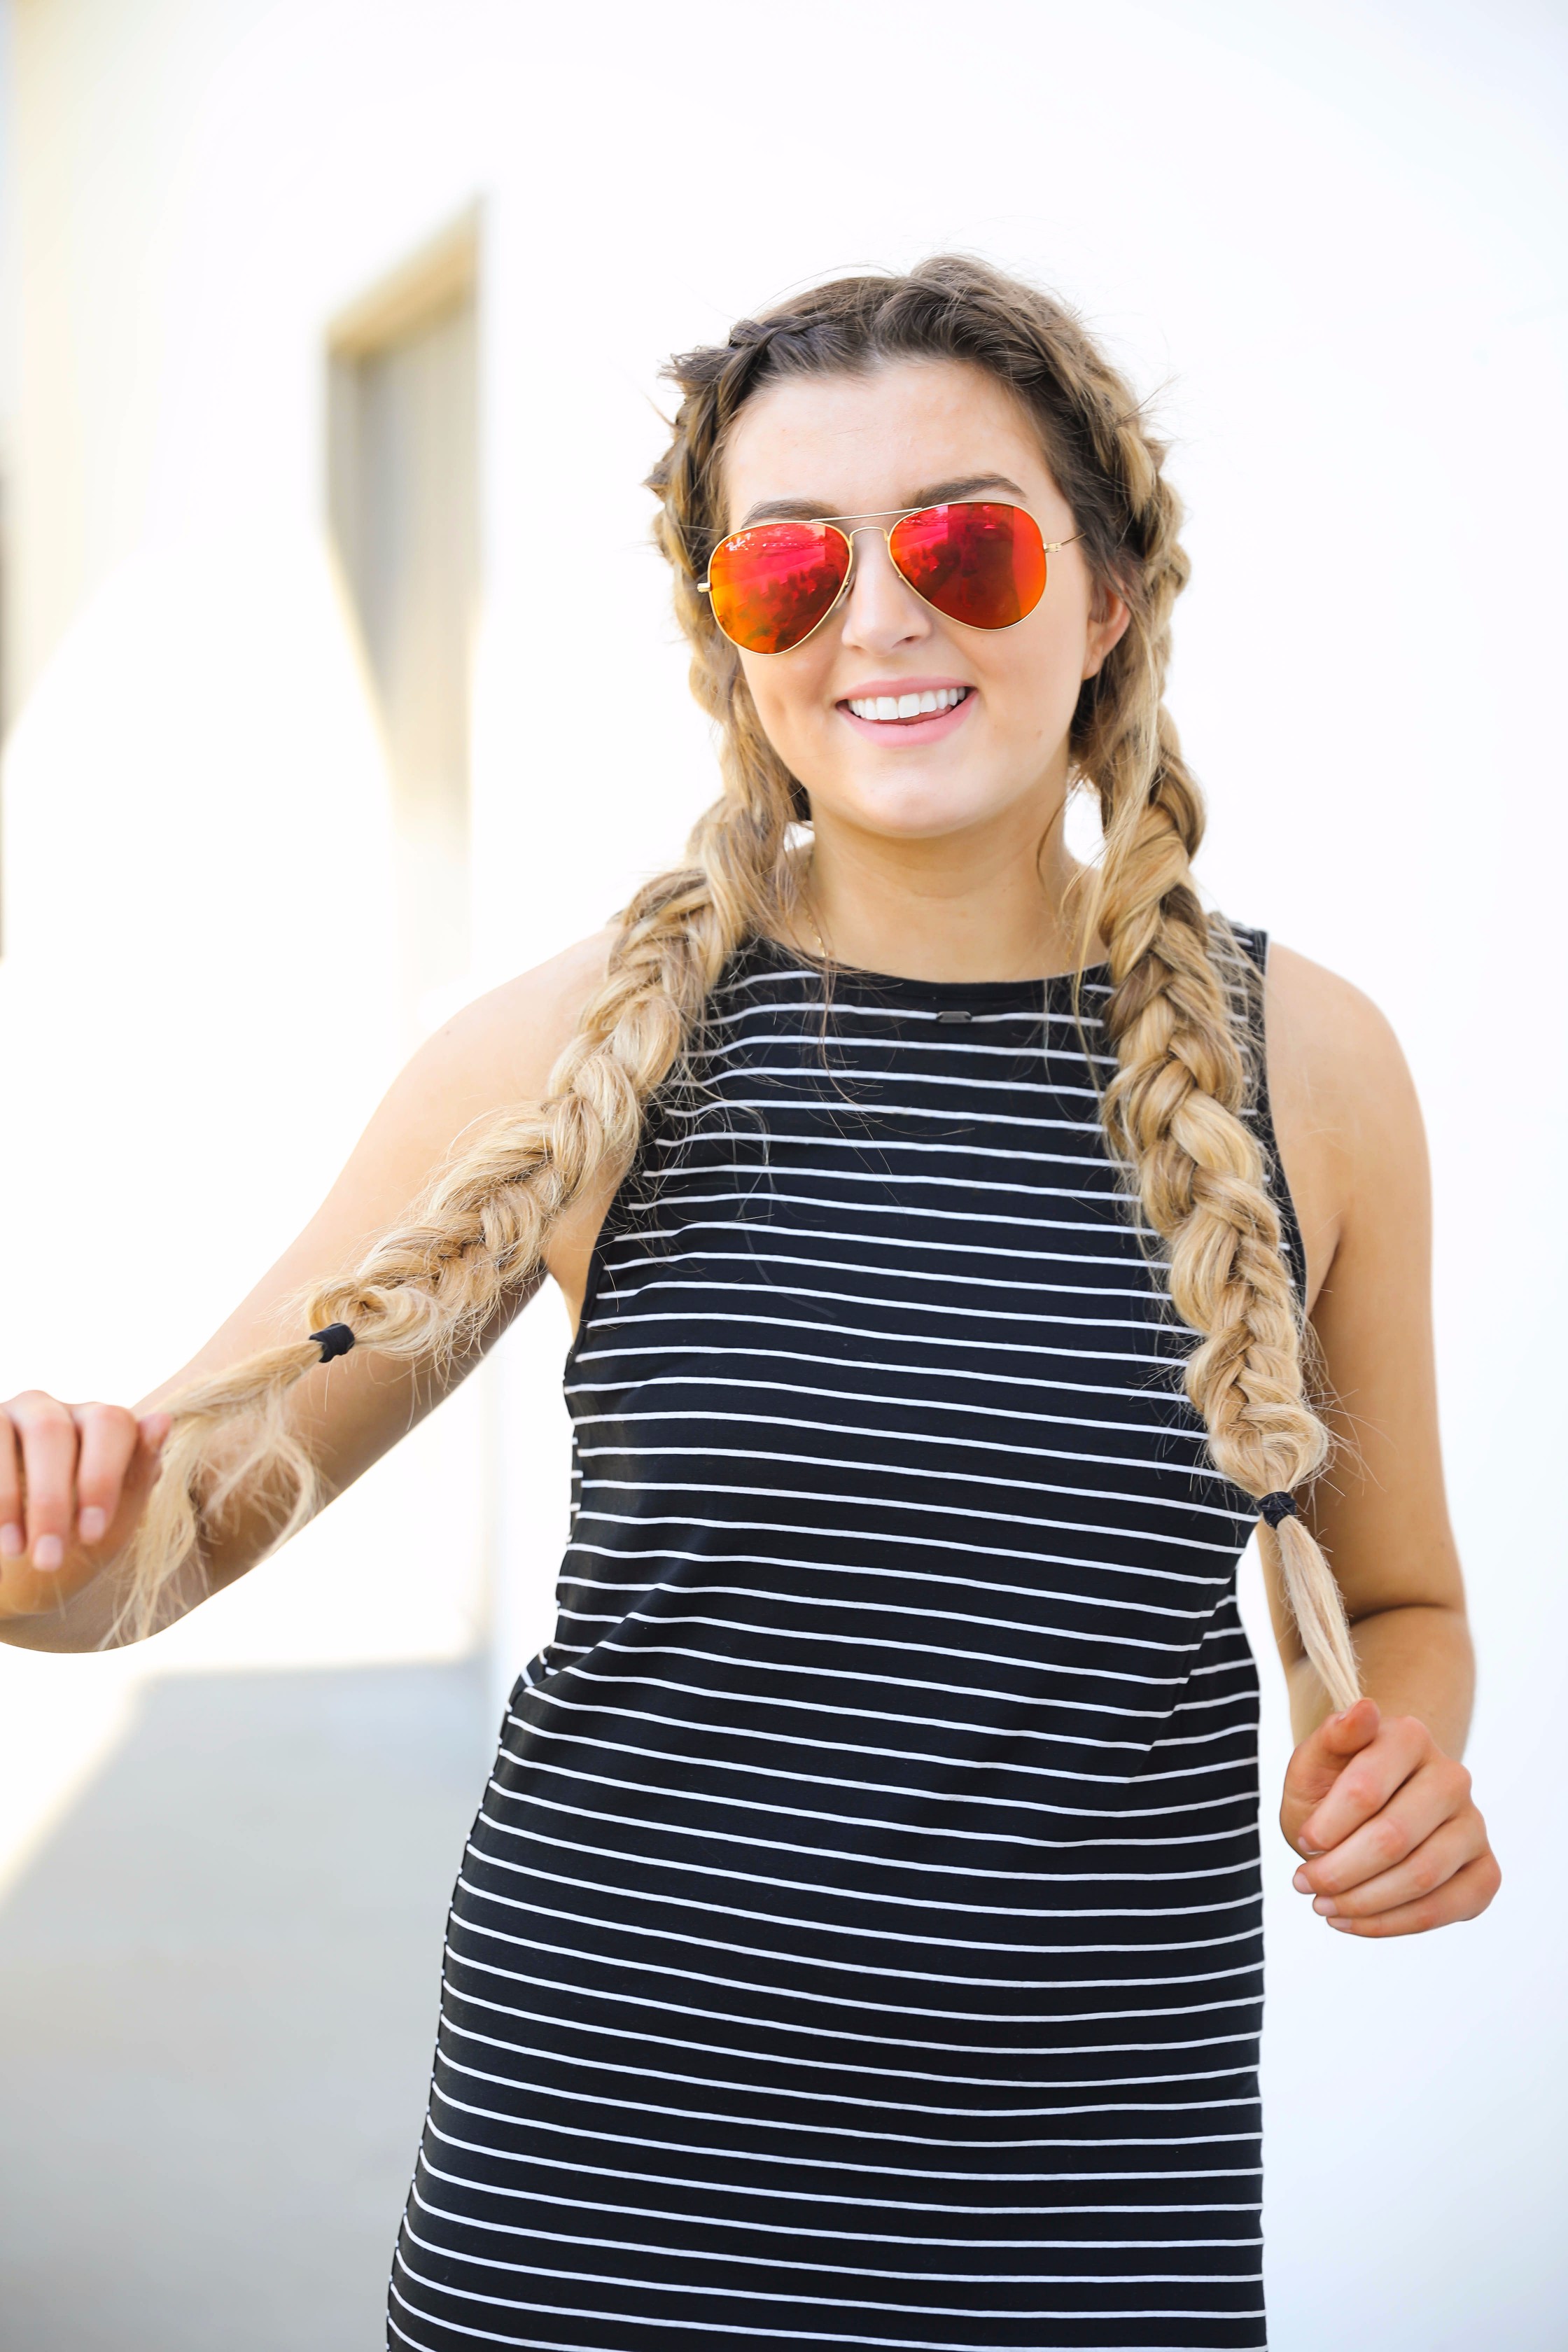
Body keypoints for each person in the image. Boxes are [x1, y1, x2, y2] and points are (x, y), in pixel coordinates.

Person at [0, 258, 1499, 2352]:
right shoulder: (573, 1056)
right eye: (787, 567)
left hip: (1088, 2227)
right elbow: (166, 1540)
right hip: (590, 2212)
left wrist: (1407, 1758)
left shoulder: (1306, 1072)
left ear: (1109, 595)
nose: (878, 618)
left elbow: (1403, 1605)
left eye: (963, 543)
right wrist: (43, 1551)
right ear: (734, 642)